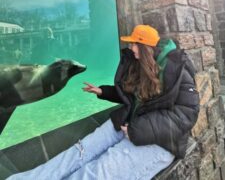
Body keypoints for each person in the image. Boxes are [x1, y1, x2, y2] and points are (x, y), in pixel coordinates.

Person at [7, 25, 200, 180]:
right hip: (128, 123)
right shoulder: (140, 65)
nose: (131, 49)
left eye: (134, 44)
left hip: (161, 141)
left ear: (145, 46)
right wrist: (103, 91)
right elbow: (132, 96)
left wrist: (136, 130)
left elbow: (186, 114)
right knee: (78, 152)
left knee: (97, 172)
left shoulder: (177, 70)